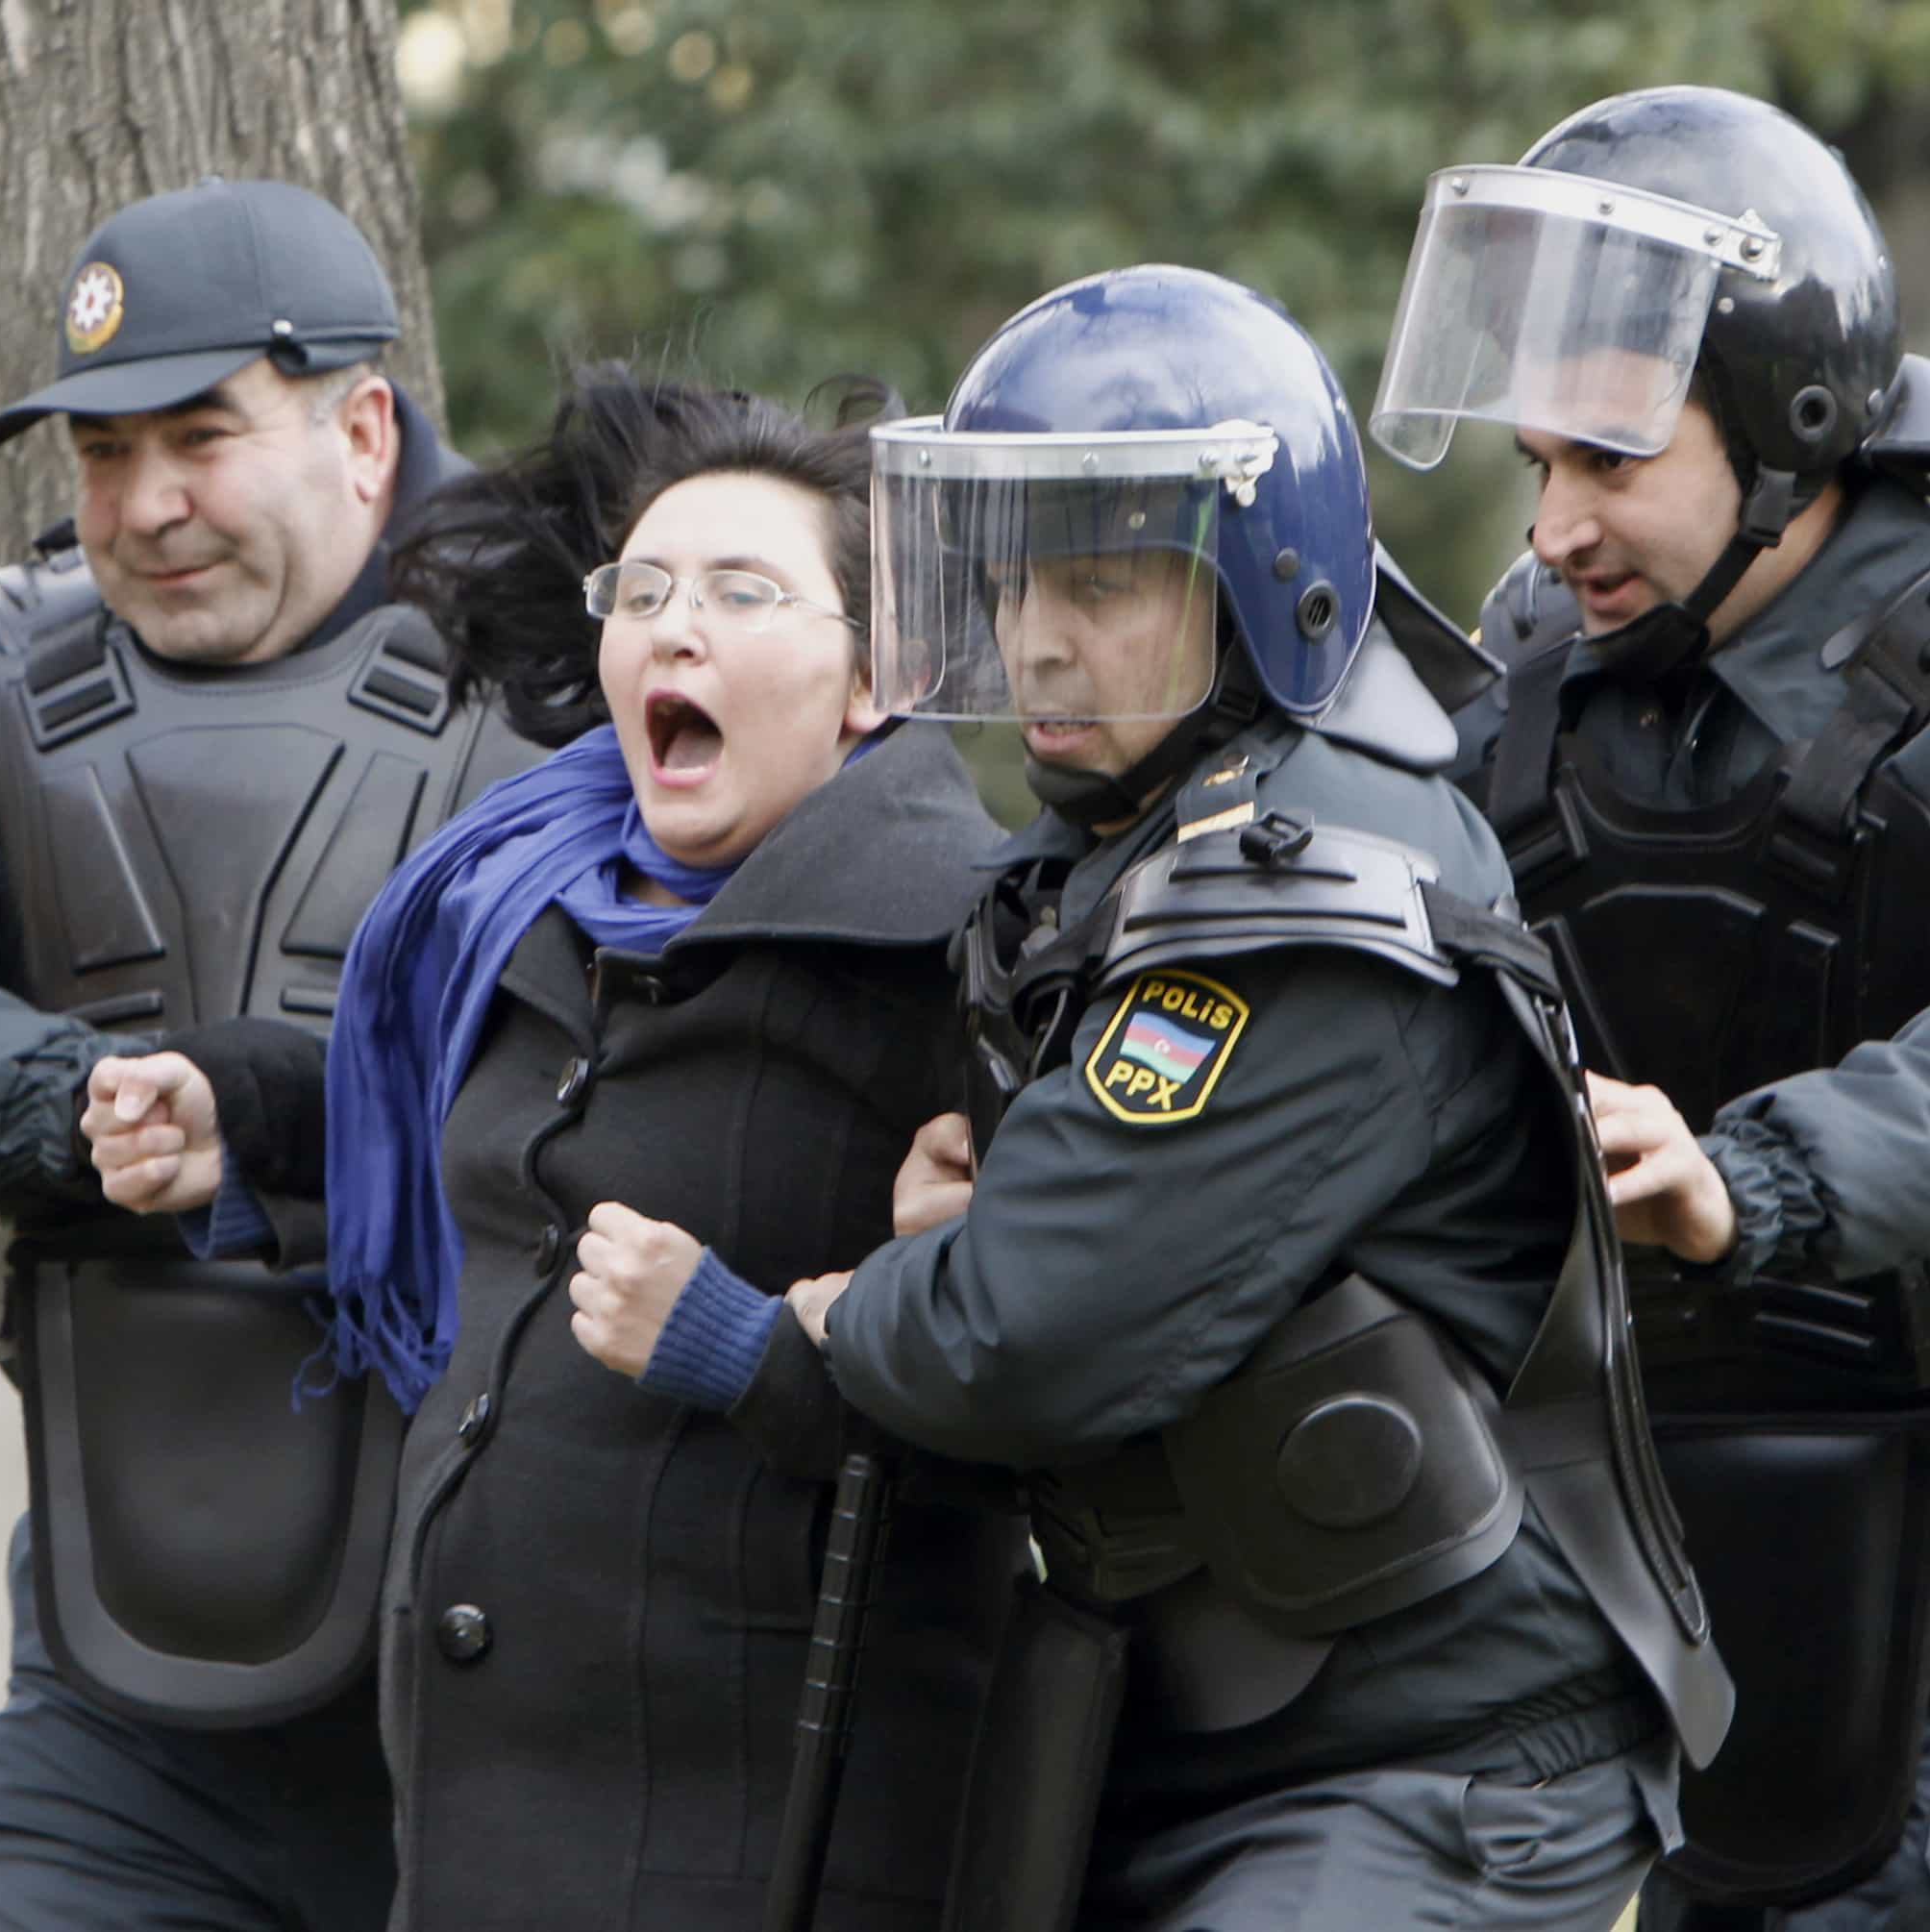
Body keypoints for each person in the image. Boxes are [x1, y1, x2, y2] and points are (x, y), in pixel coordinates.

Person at [1369, 84, 1930, 1931]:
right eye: (1540, 464)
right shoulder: (1553, 675)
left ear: (1790, 435)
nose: (1551, 528)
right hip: (1710, 1462)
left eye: (1609, 467)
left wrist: (1749, 1178)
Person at [739, 263, 1733, 1932]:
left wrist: (849, 1311)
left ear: (1265, 590)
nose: (1037, 631)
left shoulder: (1294, 889)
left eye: (1107, 580)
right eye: (1014, 579)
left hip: (1430, 1766)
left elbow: (1023, 1327)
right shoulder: (1144, 830)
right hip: (1250, 1724)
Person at [82, 368, 1022, 1932]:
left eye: (741, 590)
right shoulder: (541, 895)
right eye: (641, 587)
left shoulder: (955, 955)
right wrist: (236, 1110)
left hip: (766, 1850)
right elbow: (472, 1148)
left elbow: (1034, 1382)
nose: (674, 626)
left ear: (876, 679)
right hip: (480, 1838)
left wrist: (744, 1349)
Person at [0, 178, 536, 1931]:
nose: (146, 505)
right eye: (102, 455)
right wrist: (87, 1106)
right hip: (123, 1707)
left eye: (199, 435)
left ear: (361, 428)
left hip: (510, 1698)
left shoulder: (581, 665)